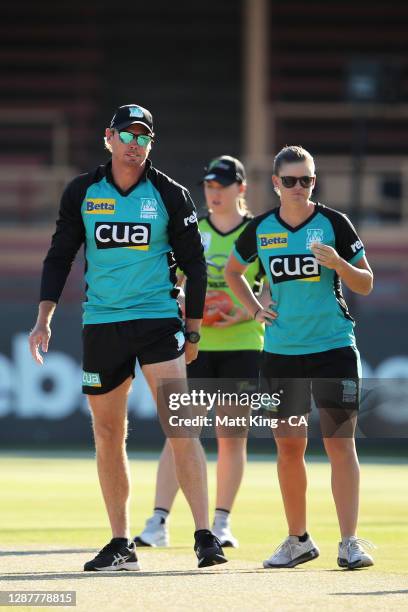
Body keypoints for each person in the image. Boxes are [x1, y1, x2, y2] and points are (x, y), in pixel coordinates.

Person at [28, 104, 228, 571]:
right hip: (102, 324)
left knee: (179, 424)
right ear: (109, 138)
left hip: (159, 322)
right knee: (107, 433)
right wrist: (44, 318)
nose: (136, 143)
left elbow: (195, 266)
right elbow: (59, 256)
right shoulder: (82, 192)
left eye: (144, 137)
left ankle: (205, 536)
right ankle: (121, 544)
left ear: (151, 144)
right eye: (128, 134)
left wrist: (193, 327)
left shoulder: (170, 194)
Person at [225, 145, 375, 570]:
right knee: (288, 447)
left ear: (314, 180)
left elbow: (365, 284)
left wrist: (339, 264)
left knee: (339, 444)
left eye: (306, 179)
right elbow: (233, 272)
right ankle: (298, 540)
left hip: (334, 348)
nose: (298, 187)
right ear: (275, 183)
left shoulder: (333, 224)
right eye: (289, 180)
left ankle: (350, 542)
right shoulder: (261, 229)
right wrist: (255, 309)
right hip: (280, 354)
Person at [135, 155, 265, 548]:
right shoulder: (196, 230)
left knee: (231, 436)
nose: (214, 193)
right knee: (180, 431)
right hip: (195, 344)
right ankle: (158, 521)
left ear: (241, 188)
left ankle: (221, 522)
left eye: (222, 186)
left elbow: (275, 287)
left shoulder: (257, 232)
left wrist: (243, 309)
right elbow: (170, 282)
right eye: (209, 186)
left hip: (243, 343)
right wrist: (188, 309)